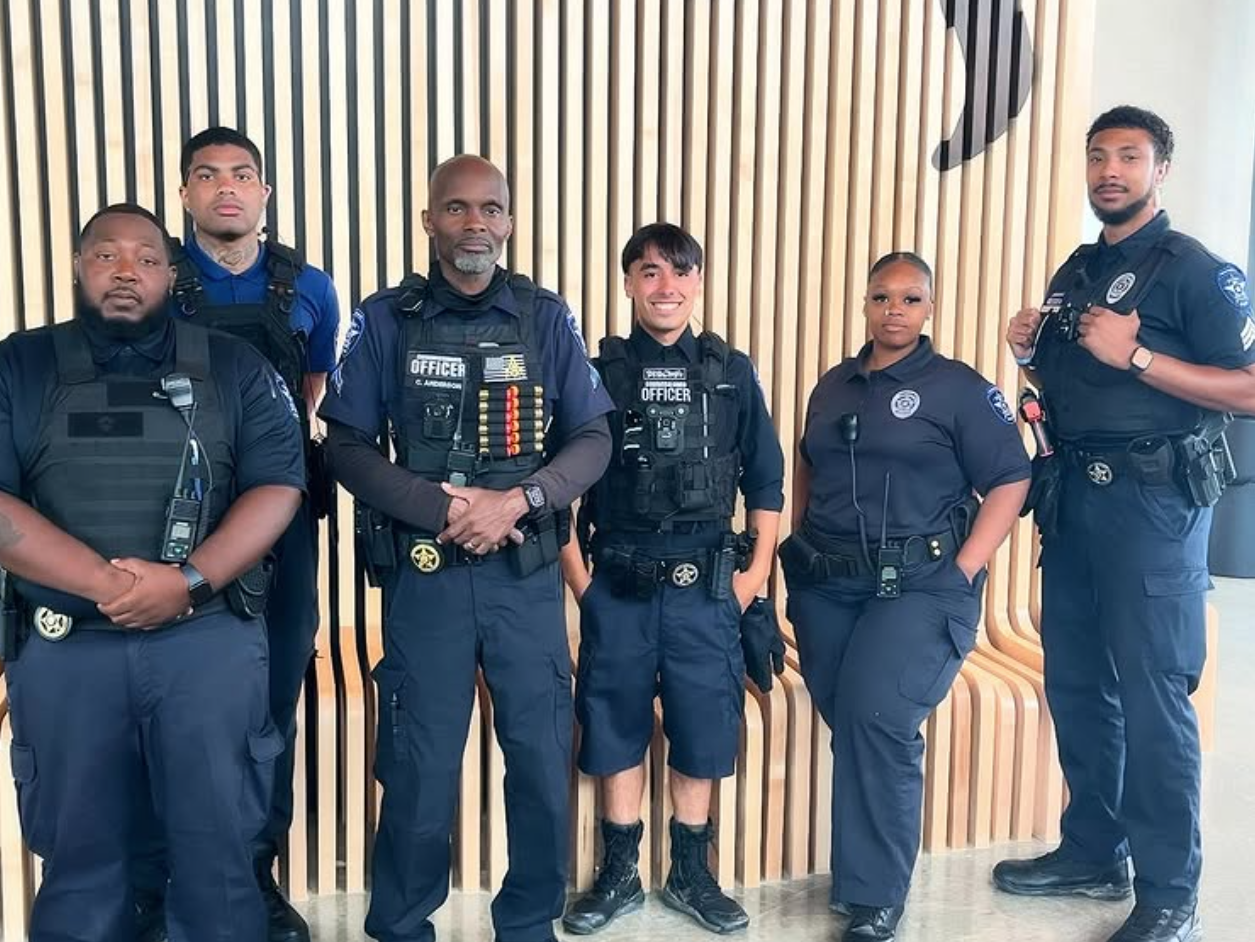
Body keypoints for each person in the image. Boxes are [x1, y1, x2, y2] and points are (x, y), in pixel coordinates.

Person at [319, 154, 614, 942]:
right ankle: (403, 926)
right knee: (417, 767)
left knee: (540, 762)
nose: (474, 223)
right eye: (456, 208)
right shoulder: (386, 318)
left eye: (490, 209)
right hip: (428, 577)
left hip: (523, 576)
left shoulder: (545, 318)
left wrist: (518, 500)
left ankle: (526, 925)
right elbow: (344, 444)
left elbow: (592, 436)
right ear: (429, 221)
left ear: (509, 222)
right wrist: (443, 507)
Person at [0, 204, 306, 941]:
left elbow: (279, 487)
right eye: (106, 256)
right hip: (69, 648)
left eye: (145, 257)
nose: (125, 271)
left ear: (171, 273)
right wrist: (110, 587)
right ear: (79, 268)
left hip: (205, 645)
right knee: (80, 863)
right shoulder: (21, 365)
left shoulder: (235, 366)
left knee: (219, 860)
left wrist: (188, 582)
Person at [994, 106, 1255, 942]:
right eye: (1099, 156)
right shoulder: (1075, 269)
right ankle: (1090, 849)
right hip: (1075, 500)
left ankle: (1169, 890)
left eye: (1129, 157)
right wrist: (1029, 351)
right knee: (1076, 683)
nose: (1110, 169)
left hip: (1153, 506)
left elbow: (1249, 387)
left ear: (1159, 169)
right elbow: (1072, 386)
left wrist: (1138, 356)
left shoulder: (1198, 273)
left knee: (1153, 697)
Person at [128, 126, 340, 942]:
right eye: (207, 175)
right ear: (184, 195)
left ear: (264, 193)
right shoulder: (151, 277)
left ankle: (256, 874)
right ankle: (159, 883)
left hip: (277, 524)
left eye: (242, 174)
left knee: (268, 707)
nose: (226, 187)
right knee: (158, 702)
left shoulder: (307, 286)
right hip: (162, 525)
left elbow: (314, 388)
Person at [782, 252, 1030, 942]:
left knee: (879, 718)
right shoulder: (831, 386)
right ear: (863, 304)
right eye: (881, 297)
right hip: (829, 586)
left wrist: (962, 571)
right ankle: (862, 876)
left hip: (921, 586)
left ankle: (874, 897)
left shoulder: (957, 389)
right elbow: (808, 463)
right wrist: (799, 548)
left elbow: (1010, 479)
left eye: (910, 299)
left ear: (928, 310)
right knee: (853, 720)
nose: (894, 310)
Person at [558, 223, 785, 936]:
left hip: (706, 591)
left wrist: (752, 580)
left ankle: (692, 873)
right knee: (614, 728)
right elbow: (560, 492)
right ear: (627, 283)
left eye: (680, 272)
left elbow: (768, 485)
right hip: (618, 590)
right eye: (650, 272)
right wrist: (581, 586)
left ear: (698, 283)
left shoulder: (730, 372)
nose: (666, 286)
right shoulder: (594, 374)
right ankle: (619, 875)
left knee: (702, 730)